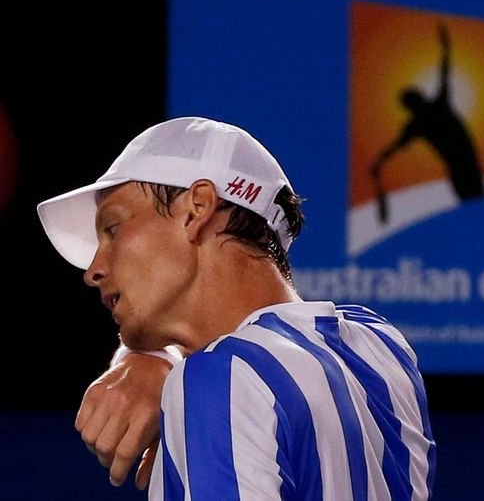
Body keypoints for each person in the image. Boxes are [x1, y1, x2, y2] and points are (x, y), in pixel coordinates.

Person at [37, 116, 436, 500]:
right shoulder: (382, 347)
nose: (94, 270)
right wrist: (154, 358)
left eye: (113, 228)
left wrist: (185, 377)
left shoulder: (218, 380)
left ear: (197, 208)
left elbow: (238, 369)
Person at [371, 24, 484, 223]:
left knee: (478, 209)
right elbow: (394, 148)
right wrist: (379, 163)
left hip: (467, 165)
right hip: (461, 168)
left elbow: (445, 72)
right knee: (474, 212)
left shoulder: (428, 114)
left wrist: (446, 47)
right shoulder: (421, 121)